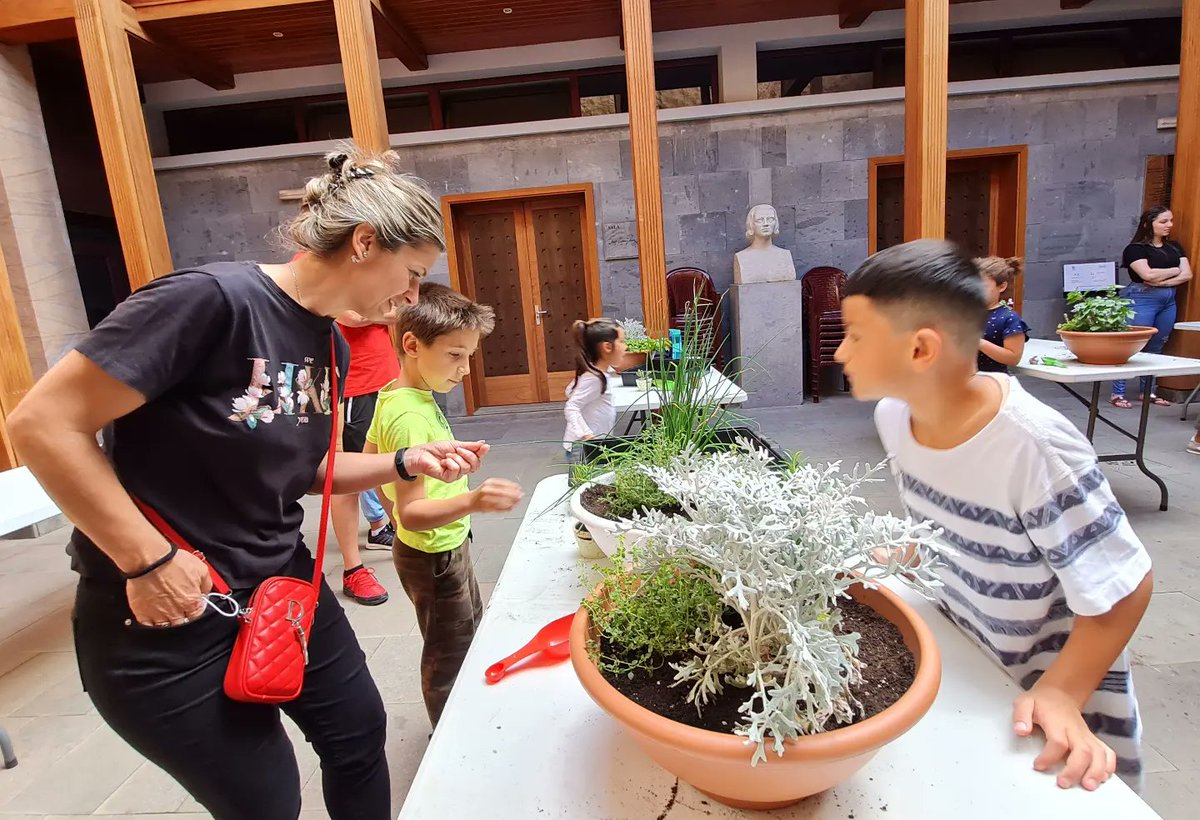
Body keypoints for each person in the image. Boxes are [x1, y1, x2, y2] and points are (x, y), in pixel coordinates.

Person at [7, 145, 492, 820]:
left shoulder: (330, 342)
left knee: (359, 735)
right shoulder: (210, 301)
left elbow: (304, 467)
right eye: (411, 274)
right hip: (169, 611)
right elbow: (41, 424)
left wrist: (406, 462)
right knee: (265, 800)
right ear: (363, 243)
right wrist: (148, 560)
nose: (411, 298)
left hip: (278, 590)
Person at [835, 239, 1153, 792]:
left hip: (1051, 699)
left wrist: (1063, 690)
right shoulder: (895, 418)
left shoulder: (1033, 446)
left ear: (920, 349)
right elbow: (941, 522)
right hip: (971, 655)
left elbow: (1125, 585)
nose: (841, 352)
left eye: (857, 336)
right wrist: (903, 554)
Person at [365, 282, 523, 727]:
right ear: (412, 344)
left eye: (469, 356)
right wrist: (472, 500)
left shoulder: (399, 395)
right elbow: (411, 512)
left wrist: (443, 459)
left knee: (466, 629)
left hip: (439, 545)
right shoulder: (410, 414)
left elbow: (372, 462)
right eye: (455, 355)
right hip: (433, 553)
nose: (465, 369)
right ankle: (452, 734)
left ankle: (467, 715)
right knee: (448, 653)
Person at [332, 308, 402, 606]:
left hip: (389, 378)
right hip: (354, 385)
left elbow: (400, 309)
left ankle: (405, 536)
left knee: (395, 465)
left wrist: (383, 312)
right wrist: (386, 313)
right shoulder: (331, 277)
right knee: (347, 477)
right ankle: (353, 569)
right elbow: (350, 315)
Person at [1111, 207, 1193, 409]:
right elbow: (1146, 275)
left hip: (1168, 299)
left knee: (1157, 346)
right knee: (1131, 344)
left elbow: (1187, 274)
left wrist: (1163, 281)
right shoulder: (1135, 249)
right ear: (1148, 224)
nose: (1169, 225)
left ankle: (1148, 391)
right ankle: (1118, 392)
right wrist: (1174, 270)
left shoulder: (1174, 247)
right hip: (1142, 297)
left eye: (1171, 221)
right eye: (1163, 221)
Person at [562, 318, 627, 453]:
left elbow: (570, 390)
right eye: (621, 341)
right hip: (585, 448)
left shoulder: (598, 373)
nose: (625, 347)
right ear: (607, 347)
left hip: (595, 445)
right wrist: (588, 436)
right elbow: (572, 407)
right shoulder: (594, 378)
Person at [976, 256, 1030, 374]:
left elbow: (1013, 358)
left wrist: (979, 343)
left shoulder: (1009, 318)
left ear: (1001, 286)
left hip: (993, 380)